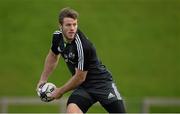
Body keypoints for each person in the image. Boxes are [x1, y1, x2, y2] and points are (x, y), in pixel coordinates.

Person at [37, 7, 126, 113]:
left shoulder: (83, 46)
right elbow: (53, 56)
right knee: (72, 110)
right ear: (60, 26)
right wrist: (43, 79)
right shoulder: (57, 37)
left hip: (102, 84)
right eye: (68, 25)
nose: (72, 28)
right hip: (84, 88)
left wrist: (60, 91)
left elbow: (80, 77)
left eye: (74, 24)